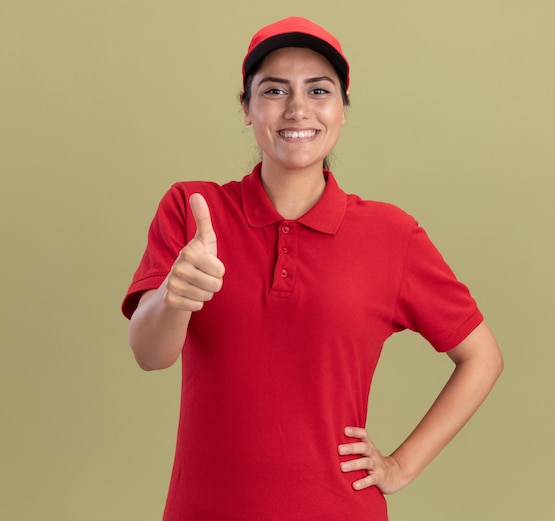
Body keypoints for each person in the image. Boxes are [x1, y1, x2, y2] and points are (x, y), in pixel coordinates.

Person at [121, 16, 503, 521]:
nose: (297, 108)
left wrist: (400, 466)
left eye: (318, 90)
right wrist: (176, 291)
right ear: (247, 107)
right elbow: (150, 355)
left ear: (343, 108)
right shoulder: (193, 209)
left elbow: (482, 357)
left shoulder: (392, 235)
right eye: (274, 90)